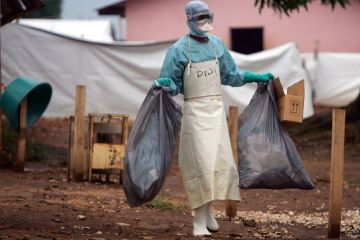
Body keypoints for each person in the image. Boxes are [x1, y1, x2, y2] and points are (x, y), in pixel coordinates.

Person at [153, 0, 274, 237]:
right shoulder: (178, 49)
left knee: (217, 163)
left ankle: (208, 213)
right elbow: (173, 83)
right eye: (199, 17)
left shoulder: (217, 44)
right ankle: (198, 219)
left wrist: (254, 76)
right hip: (195, 114)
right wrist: (167, 84)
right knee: (200, 164)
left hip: (216, 112)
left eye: (207, 16)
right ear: (189, 20)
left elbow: (231, 75)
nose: (204, 21)